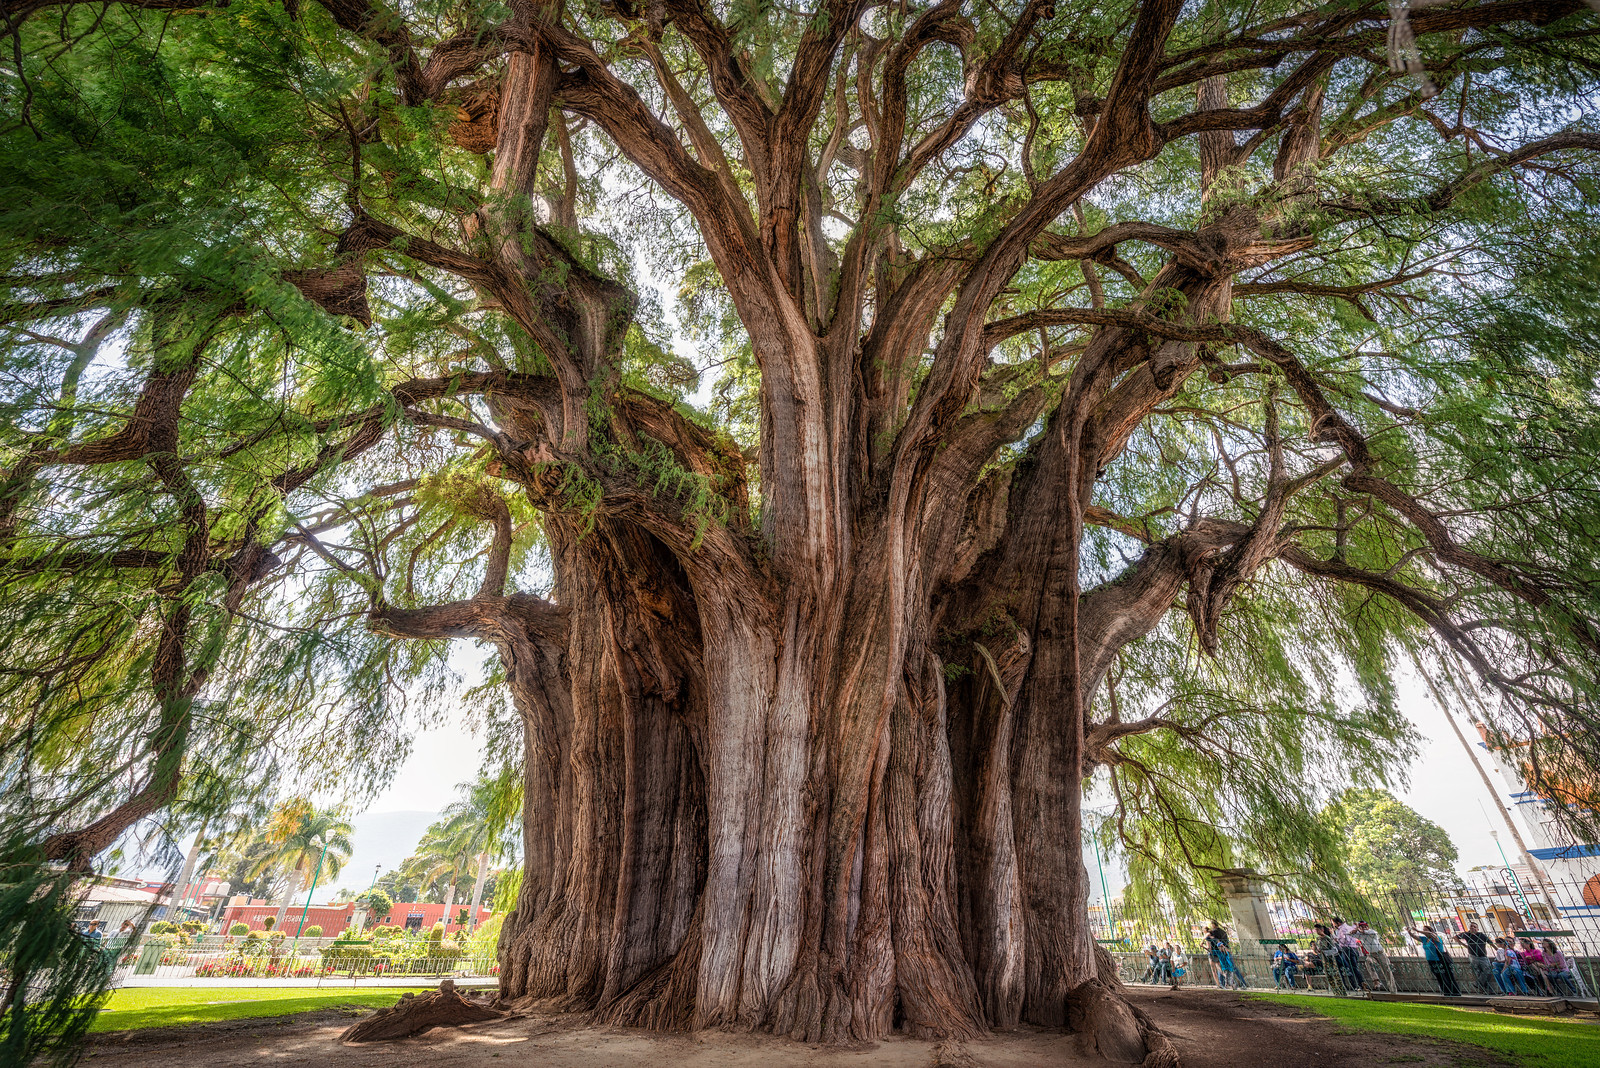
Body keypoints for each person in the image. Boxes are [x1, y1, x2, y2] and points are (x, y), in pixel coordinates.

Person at [1407, 924, 1461, 996]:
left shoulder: (1436, 937)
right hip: (1431, 961)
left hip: (1439, 960)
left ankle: (1454, 992)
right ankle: (1446, 992)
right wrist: (1409, 932)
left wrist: (1417, 930)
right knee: (1439, 977)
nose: (1424, 932)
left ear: (1430, 931)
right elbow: (1414, 937)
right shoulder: (1425, 939)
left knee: (1446, 976)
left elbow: (1430, 934)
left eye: (1425, 930)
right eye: (1423, 930)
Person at [1453, 922, 1497, 994]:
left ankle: (1478, 984)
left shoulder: (1481, 935)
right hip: (1473, 956)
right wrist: (1463, 945)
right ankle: (1486, 990)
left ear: (1477, 929)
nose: (1473, 928)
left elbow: (1490, 943)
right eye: (1471, 926)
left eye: (1474, 927)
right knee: (1478, 973)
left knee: (1488, 970)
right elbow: (1455, 937)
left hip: (1483, 956)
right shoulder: (1466, 934)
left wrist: (1497, 950)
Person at [1354, 921, 1394, 992]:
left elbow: (1365, 932)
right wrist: (1355, 928)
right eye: (1362, 927)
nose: (1364, 928)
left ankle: (1392, 989)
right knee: (1368, 962)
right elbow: (1349, 934)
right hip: (1371, 954)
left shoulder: (1372, 932)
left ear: (1368, 927)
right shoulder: (1360, 935)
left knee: (1387, 970)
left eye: (1365, 926)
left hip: (1380, 953)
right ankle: (1376, 981)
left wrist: (1359, 930)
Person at [1206, 923, 1248, 990]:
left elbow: (1210, 941)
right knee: (1232, 967)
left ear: (1213, 925)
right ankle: (1242, 983)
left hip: (1218, 952)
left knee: (1221, 968)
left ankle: (1223, 984)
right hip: (1226, 951)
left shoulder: (1213, 933)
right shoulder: (1223, 932)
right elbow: (1227, 942)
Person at [1332, 916, 1365, 992]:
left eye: (1334, 923)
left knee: (1352, 968)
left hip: (1347, 949)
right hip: (1354, 948)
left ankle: (1358, 984)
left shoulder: (1342, 929)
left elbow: (1344, 940)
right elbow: (1354, 927)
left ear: (1338, 923)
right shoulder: (1349, 926)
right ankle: (1360, 983)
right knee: (1354, 967)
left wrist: (1336, 939)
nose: (1334, 925)